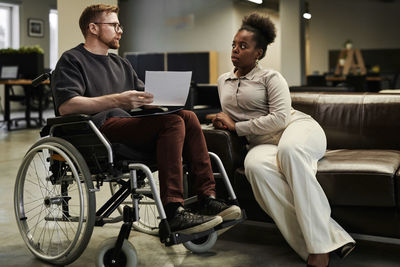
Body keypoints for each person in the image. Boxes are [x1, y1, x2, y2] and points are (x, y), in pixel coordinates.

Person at [51, 4, 241, 236]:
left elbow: (142, 97)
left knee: (187, 117)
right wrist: (117, 101)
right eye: (114, 25)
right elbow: (66, 106)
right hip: (97, 129)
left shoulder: (121, 64)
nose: (120, 30)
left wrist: (157, 99)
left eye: (120, 25)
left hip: (128, 125)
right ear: (93, 28)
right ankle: (173, 211)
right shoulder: (72, 59)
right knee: (172, 123)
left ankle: (206, 198)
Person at [212, 13, 355, 267]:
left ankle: (319, 250)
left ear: (259, 53)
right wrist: (221, 120)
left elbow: (279, 119)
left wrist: (237, 126)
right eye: (234, 44)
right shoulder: (223, 80)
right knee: (254, 168)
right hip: (262, 144)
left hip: (298, 129)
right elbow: (232, 115)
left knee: (289, 151)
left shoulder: (271, 78)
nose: (235, 50)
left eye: (243, 46)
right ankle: (331, 237)